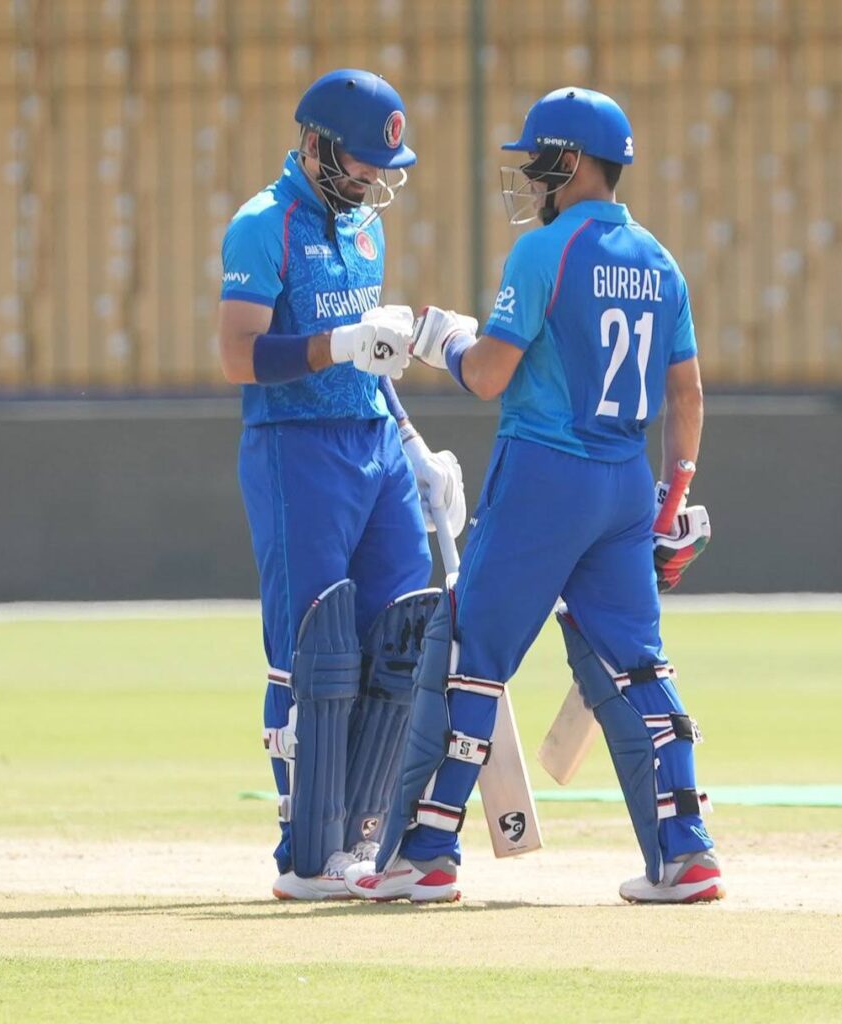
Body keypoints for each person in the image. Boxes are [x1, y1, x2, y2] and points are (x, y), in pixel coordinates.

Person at [346, 86, 722, 904]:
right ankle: (685, 853)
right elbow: (686, 397)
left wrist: (443, 340)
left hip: (544, 473)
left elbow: (486, 377)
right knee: (637, 668)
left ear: (572, 161)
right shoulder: (659, 259)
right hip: (624, 484)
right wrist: (670, 503)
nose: (531, 176)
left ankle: (426, 854)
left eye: (539, 159)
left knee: (468, 657)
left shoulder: (544, 252)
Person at [217, 68, 466, 901]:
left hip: (373, 442)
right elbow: (238, 355)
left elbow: (377, 364)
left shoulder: (365, 230)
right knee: (312, 647)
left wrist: (414, 445)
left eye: (381, 165)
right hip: (297, 448)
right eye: (359, 162)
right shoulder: (263, 224)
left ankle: (365, 840)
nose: (372, 179)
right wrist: (335, 343)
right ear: (316, 143)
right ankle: (303, 850)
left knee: (401, 635)